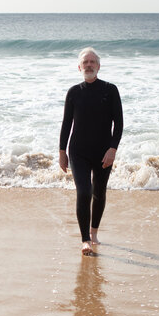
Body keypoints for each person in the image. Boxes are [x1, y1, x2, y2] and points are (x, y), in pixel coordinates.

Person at [59, 47, 123, 255]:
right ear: (79, 67)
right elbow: (66, 124)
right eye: (85, 62)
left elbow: (119, 123)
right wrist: (62, 151)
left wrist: (113, 149)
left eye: (92, 62)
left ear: (98, 66)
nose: (89, 65)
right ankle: (85, 239)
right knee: (84, 191)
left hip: (104, 152)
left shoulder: (110, 90)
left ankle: (94, 232)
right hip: (78, 151)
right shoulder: (74, 92)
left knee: (99, 192)